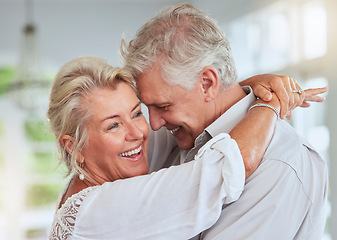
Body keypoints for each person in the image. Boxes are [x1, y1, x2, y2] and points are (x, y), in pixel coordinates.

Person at [121, 3, 329, 239]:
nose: (154, 123)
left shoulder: (278, 163)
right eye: (146, 108)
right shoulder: (181, 134)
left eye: (163, 106)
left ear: (207, 84)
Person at [48, 56, 296, 239]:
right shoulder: (100, 210)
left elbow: (194, 111)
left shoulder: (98, 176)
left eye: (136, 113)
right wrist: (270, 102)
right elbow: (225, 168)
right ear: (74, 146)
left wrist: (247, 86)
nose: (139, 133)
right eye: (113, 126)